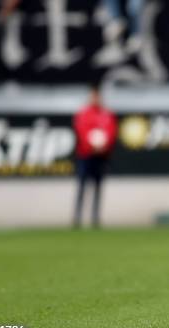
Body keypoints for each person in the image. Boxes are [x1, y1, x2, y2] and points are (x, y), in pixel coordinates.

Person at [72, 83, 118, 228]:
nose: (95, 99)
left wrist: (103, 147)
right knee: (82, 186)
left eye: (98, 96)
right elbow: (81, 132)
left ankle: (95, 218)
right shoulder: (83, 114)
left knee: (98, 187)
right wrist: (91, 146)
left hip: (101, 156)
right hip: (86, 155)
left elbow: (111, 132)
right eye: (93, 96)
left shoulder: (107, 114)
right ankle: (77, 218)